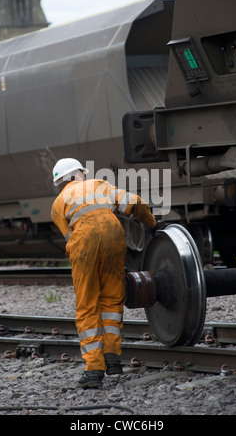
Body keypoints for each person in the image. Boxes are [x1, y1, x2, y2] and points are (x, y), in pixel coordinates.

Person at [51, 158, 157, 389]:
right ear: (80, 174)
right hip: (113, 236)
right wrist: (151, 224)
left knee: (87, 305)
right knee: (112, 297)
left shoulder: (57, 205)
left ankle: (94, 370)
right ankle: (112, 357)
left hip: (84, 245)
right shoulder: (99, 184)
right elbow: (134, 203)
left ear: (60, 182)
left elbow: (70, 241)